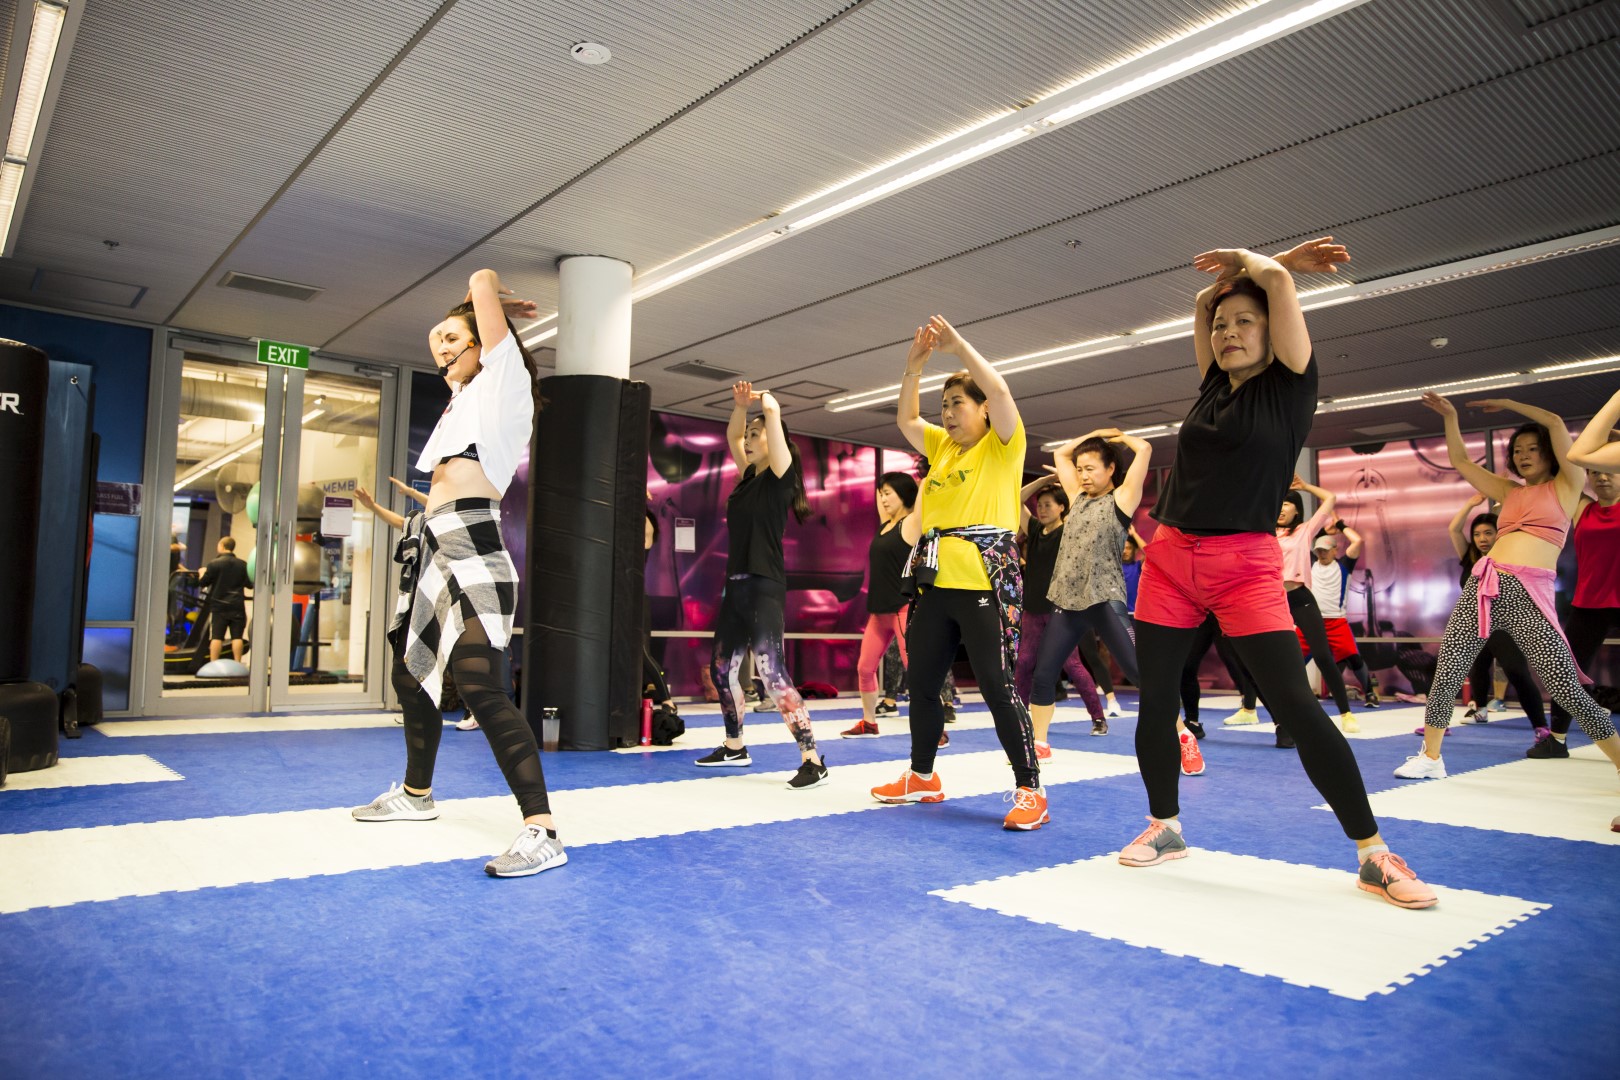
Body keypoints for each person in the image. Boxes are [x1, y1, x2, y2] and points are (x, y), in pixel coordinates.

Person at [1120, 237, 1436, 910]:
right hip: (1171, 559)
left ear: (1275, 332)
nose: (1228, 332)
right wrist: (1231, 290)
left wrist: (1274, 264)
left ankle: (1373, 854)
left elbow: (1274, 287)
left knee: (1294, 703)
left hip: (1244, 565)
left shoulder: (1292, 387)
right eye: (1222, 326)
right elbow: (1207, 301)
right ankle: (1166, 826)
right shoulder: (1212, 386)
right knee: (1155, 702)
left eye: (1246, 323)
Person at [350, 269, 565, 880]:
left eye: (453, 337)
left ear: (482, 344)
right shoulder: (462, 401)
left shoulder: (506, 383)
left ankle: (541, 829)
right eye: (435, 340)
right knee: (409, 674)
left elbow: (484, 283)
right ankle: (417, 795)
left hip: (474, 546)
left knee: (479, 683)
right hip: (433, 546)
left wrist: (483, 292)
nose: (441, 348)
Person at [869, 316, 1046, 830]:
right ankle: (922, 776)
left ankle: (1031, 788)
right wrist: (913, 367)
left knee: (997, 686)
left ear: (984, 410)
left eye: (957, 404)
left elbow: (1001, 387)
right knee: (922, 685)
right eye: (944, 406)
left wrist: (959, 347)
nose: (947, 415)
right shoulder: (942, 449)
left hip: (985, 585)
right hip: (937, 586)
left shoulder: (1004, 444)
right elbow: (906, 419)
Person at [1396, 396, 1620, 784]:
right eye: (1518, 450)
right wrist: (1451, 417)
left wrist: (1508, 402)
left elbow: (1553, 417)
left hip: (1528, 593)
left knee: (1566, 689)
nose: (1524, 455)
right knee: (1448, 670)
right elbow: (1463, 462)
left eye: (1533, 449)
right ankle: (1430, 756)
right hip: (1484, 586)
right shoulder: (1508, 490)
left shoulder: (1568, 484)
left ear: (1550, 453)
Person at [693, 381, 827, 789]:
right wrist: (740, 408)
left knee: (772, 674)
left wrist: (771, 411)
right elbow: (733, 435)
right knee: (721, 671)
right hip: (734, 587)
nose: (748, 441)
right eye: (749, 436)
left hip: (764, 584)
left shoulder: (780, 478)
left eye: (757, 435)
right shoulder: (748, 476)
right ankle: (734, 746)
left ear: (775, 439)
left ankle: (812, 759)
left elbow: (773, 436)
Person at [1028, 430, 1171, 767]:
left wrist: (1119, 436)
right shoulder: (1075, 497)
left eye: (1091, 468)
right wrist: (1091, 436)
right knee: (1044, 673)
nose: (1083, 475)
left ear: (1110, 470)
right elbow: (1062, 453)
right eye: (1080, 469)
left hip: (1104, 597)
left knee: (1140, 673)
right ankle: (1039, 743)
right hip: (1067, 599)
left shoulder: (1122, 499)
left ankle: (1180, 733)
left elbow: (1145, 448)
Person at [1539, 387, 1620, 757]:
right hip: (1589, 601)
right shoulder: (1582, 508)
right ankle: (1556, 739)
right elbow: (1568, 458)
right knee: (1565, 671)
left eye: (1608, 471)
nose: (1601, 478)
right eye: (1594, 472)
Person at [1014, 476, 1107, 745]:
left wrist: (1066, 481)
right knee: (1023, 664)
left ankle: (1098, 717)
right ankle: (1019, 719)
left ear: (1061, 508)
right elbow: (1015, 496)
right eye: (1039, 505)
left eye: (1047, 505)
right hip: (1032, 610)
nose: (1041, 510)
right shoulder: (1032, 530)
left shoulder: (1068, 532)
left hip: (1060, 611)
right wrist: (1043, 480)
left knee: (1072, 665)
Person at [1442, 495, 1546, 733]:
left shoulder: (1506, 555)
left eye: (1488, 533)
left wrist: (1506, 506)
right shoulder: (1470, 557)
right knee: (1473, 669)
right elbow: (1453, 529)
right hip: (1475, 623)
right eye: (1477, 534)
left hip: (1503, 624)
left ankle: (1541, 727)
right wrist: (1469, 504)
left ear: (1498, 533)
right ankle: (1475, 711)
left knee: (1516, 671)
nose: (1482, 539)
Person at [1271, 476, 1361, 733]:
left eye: (1287, 504)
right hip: (1273, 600)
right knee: (1276, 660)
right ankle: (1255, 709)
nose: (1281, 509)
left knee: (1322, 655)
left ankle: (1345, 713)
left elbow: (1330, 499)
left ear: (1297, 509)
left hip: (1300, 597)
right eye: (1278, 504)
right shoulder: (1265, 532)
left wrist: (1305, 487)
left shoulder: (1305, 531)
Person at [843, 472, 919, 739]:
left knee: (916, 669)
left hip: (903, 608)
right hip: (879, 611)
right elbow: (881, 501)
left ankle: (934, 729)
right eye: (881, 493)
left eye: (889, 493)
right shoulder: (885, 524)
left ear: (906, 494)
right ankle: (869, 722)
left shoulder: (911, 523)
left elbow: (923, 500)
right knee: (865, 668)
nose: (883, 499)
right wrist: (881, 490)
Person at [1306, 528, 1381, 709]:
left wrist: (1340, 525)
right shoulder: (1311, 563)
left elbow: (1357, 541)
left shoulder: (1344, 565)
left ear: (1335, 550)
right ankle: (1286, 695)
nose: (1322, 554)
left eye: (1325, 550)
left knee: (1353, 657)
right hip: (1311, 620)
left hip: (1336, 621)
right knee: (1294, 657)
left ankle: (1370, 693)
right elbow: (1299, 540)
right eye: (1319, 551)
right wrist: (1321, 528)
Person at [198, 536, 250, 664]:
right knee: (237, 637)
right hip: (237, 604)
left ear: (221, 546)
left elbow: (203, 582)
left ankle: (213, 663)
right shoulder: (243, 565)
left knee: (216, 637)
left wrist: (201, 572)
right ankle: (238, 663)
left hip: (219, 606)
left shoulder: (213, 564)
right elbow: (250, 584)